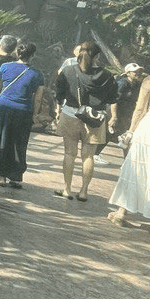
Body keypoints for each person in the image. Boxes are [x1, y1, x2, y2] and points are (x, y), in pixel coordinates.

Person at [53, 40, 119, 201]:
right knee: (88, 156)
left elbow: (59, 94)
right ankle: (83, 192)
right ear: (97, 56)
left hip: (70, 115)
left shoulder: (68, 71)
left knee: (69, 153)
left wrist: (58, 109)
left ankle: (67, 190)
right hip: (95, 120)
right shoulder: (107, 75)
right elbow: (112, 98)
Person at [0, 41, 44, 189]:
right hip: (23, 111)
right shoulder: (37, 74)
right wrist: (35, 114)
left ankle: (1, 176)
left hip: (3, 108)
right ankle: (15, 177)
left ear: (17, 53)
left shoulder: (4, 67)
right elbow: (37, 98)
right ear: (33, 56)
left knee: (2, 141)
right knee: (19, 143)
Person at [107, 73, 150, 236]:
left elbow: (140, 109)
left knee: (135, 168)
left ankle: (121, 212)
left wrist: (130, 131)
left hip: (149, 127)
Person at [110, 62, 146, 159]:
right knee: (121, 137)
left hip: (128, 114)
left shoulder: (136, 84)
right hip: (119, 114)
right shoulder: (122, 83)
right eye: (135, 72)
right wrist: (114, 116)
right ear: (128, 73)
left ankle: (127, 159)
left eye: (139, 72)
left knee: (124, 137)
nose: (138, 74)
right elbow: (114, 100)